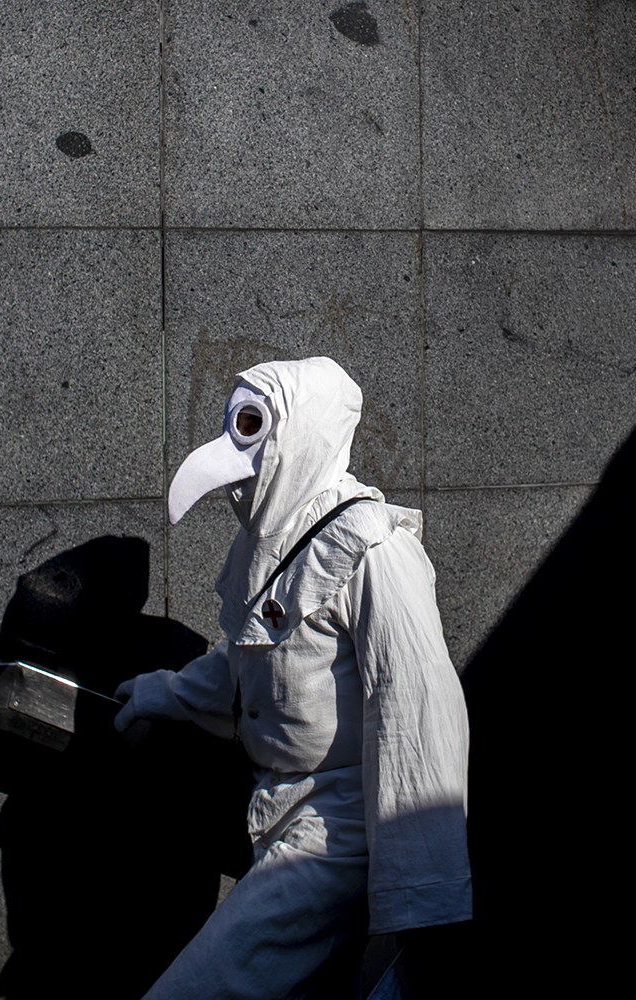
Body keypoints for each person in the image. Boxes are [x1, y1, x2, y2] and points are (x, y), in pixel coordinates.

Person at [113, 357, 472, 1000]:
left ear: (299, 432)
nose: (236, 447)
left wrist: (417, 901)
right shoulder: (272, 540)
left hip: (337, 837)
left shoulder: (375, 552)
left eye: (255, 426)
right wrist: (159, 693)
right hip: (273, 809)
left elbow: (418, 711)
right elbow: (244, 661)